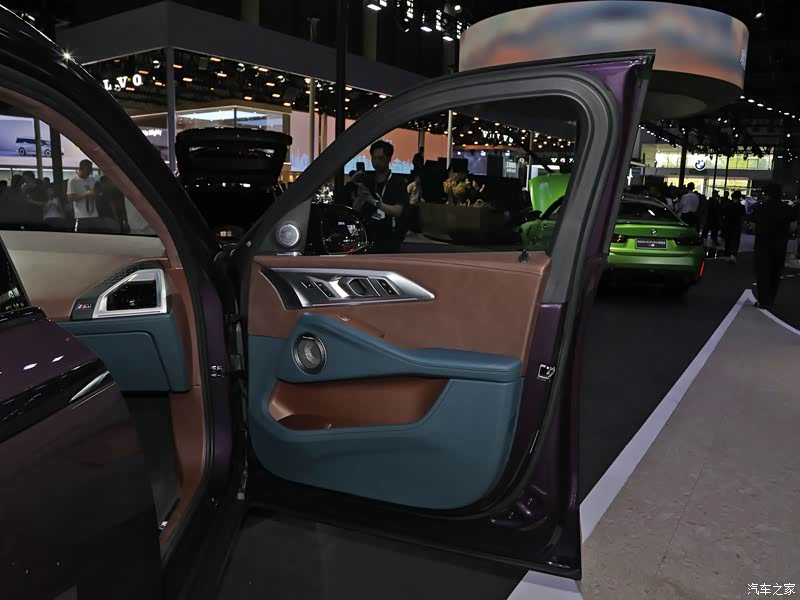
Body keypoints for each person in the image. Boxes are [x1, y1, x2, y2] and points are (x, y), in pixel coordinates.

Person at [351, 140, 409, 252]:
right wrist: (360, 196)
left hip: (389, 238)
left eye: (380, 158)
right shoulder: (368, 180)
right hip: (368, 236)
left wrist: (374, 202)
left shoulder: (397, 182)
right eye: (374, 158)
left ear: (389, 159)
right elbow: (356, 209)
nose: (376, 162)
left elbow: (398, 211)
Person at [751, 183, 797, 308]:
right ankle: (771, 299)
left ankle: (763, 300)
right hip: (780, 245)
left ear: (767, 194)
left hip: (762, 245)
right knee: (775, 273)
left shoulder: (760, 208)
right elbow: (793, 227)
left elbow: (753, 227)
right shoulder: (787, 209)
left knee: (762, 273)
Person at [67, 159, 99, 231]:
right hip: (81, 215)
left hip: (93, 213)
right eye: (88, 170)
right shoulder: (73, 180)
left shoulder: (92, 179)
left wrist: (95, 194)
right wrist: (85, 194)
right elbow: (70, 198)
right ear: (82, 169)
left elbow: (96, 195)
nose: (89, 173)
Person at [721, 190, 745, 263]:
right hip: (737, 226)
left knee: (728, 239)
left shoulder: (728, 206)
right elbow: (742, 218)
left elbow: (723, 216)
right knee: (735, 240)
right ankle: (733, 255)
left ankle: (727, 254)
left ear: (732, 197)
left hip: (728, 225)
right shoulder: (741, 207)